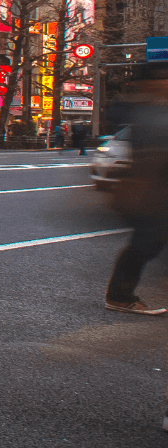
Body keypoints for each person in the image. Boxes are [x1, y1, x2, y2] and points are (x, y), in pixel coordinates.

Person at [105, 61, 168, 316]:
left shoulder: (149, 110)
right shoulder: (150, 114)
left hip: (151, 191)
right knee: (146, 244)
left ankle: (119, 295)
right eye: (163, 80)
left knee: (146, 244)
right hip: (151, 193)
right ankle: (119, 295)